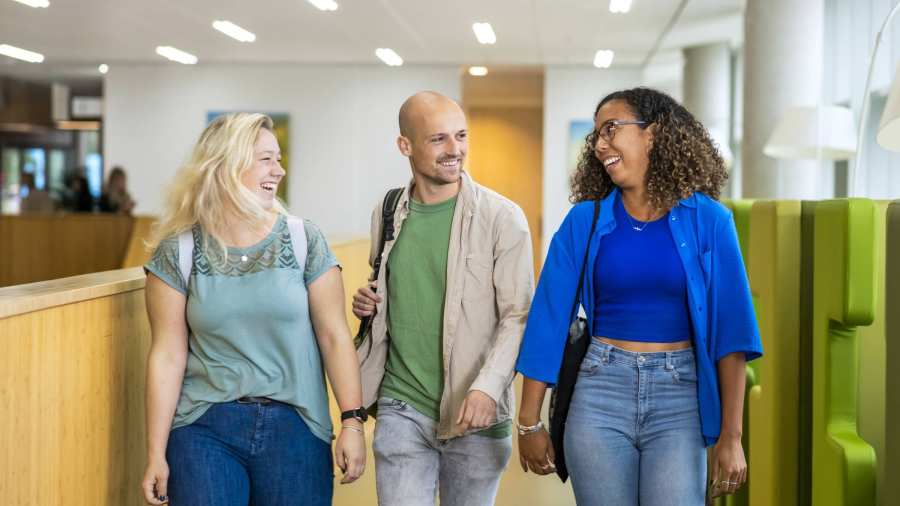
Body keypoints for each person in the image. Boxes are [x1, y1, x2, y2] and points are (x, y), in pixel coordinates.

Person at [515, 87, 763, 505]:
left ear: (653, 134)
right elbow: (549, 318)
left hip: (680, 396)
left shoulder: (712, 221)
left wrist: (731, 436)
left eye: (611, 129)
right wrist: (528, 422)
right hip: (599, 392)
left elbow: (732, 335)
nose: (599, 145)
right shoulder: (584, 220)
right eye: (596, 135)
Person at [140, 113, 366, 506]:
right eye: (266, 159)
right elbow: (167, 354)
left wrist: (353, 421)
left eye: (278, 158)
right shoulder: (178, 252)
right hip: (203, 429)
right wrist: (156, 452)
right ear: (226, 165)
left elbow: (334, 335)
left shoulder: (303, 239)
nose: (279, 170)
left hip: (296, 426)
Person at [351, 91, 534, 506]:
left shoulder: (502, 218)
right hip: (402, 403)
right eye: (438, 139)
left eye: (461, 136)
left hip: (475, 414)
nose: (455, 150)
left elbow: (518, 315)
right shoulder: (388, 208)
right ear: (406, 146)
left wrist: (487, 389)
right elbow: (390, 283)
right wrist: (369, 301)